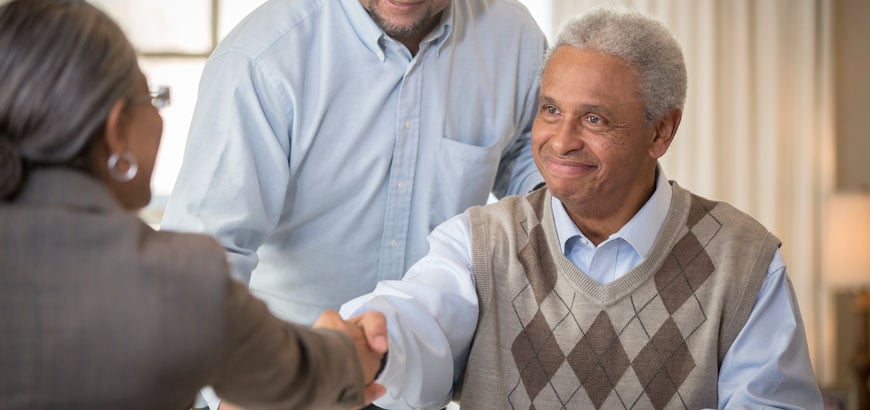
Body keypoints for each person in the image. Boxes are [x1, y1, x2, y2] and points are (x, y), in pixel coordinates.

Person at [337, 8, 824, 409]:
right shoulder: (482, 241)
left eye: (594, 118)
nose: (560, 141)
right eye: (550, 109)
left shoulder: (744, 260)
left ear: (661, 132)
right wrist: (368, 346)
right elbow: (419, 318)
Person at [0, 0, 387, 408]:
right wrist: (344, 348)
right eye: (151, 98)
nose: (156, 113)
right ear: (117, 130)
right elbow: (313, 372)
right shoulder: (176, 279)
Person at [160, 0, 547, 326]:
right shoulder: (262, 60)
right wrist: (233, 389)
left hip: (429, 374)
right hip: (290, 377)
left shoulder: (516, 42)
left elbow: (526, 160)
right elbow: (203, 257)